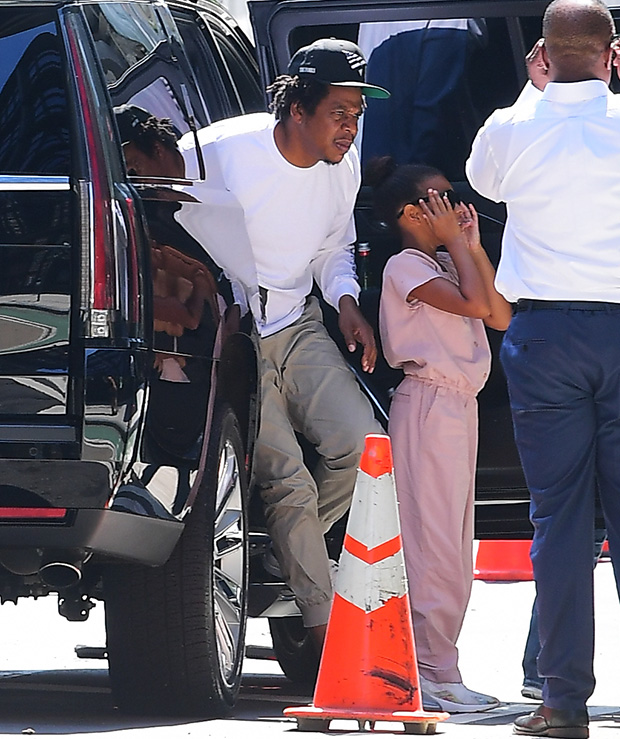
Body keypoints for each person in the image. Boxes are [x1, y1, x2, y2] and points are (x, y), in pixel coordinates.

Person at [178, 39, 389, 652]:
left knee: (368, 448)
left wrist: (346, 301)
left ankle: (280, 552)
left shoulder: (343, 163)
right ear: (297, 108)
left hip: (297, 323)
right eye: (339, 114)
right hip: (235, 334)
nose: (351, 129)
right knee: (288, 482)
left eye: (357, 115)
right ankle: (327, 636)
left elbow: (333, 247)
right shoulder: (215, 151)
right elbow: (161, 221)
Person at [466, 1, 620, 736]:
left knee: (558, 521)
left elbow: (483, 181)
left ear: (544, 56)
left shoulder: (511, 126)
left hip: (546, 336)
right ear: (613, 56)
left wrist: (535, 92)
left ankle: (562, 701)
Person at [370, 156, 511, 712]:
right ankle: (432, 669)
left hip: (457, 406)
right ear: (412, 213)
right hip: (429, 402)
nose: (456, 207)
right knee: (433, 544)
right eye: (442, 199)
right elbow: (476, 305)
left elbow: (498, 315)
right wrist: (457, 244)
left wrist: (469, 247)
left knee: (453, 541)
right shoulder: (405, 266)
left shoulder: (447, 262)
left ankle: (439, 664)